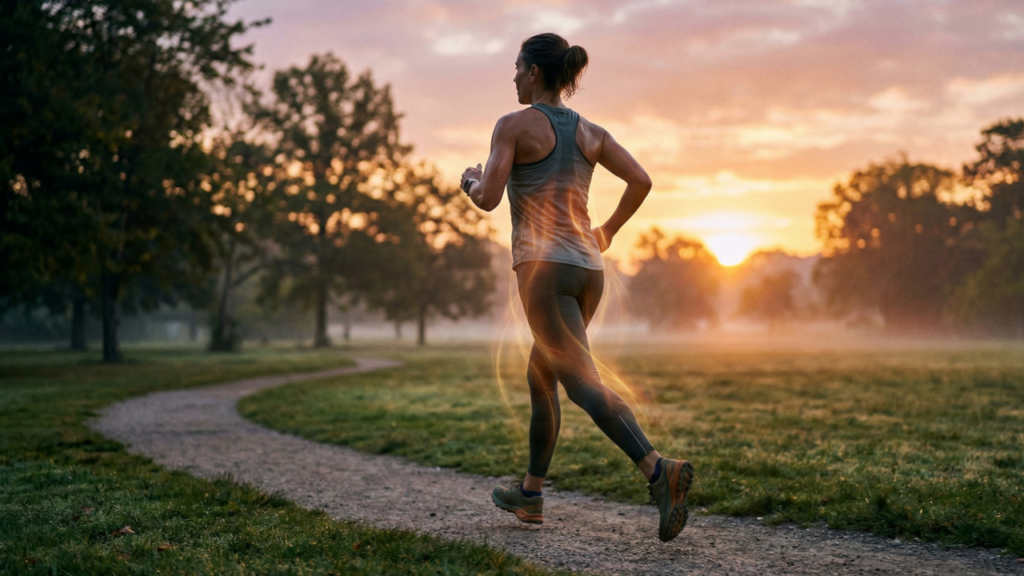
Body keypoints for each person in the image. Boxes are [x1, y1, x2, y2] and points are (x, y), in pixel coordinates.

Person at [460, 32, 693, 543]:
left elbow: (489, 198)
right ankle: (530, 493)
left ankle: (659, 470)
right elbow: (641, 181)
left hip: (544, 272)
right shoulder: (592, 132)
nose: (513, 77)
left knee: (581, 381)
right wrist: (606, 232)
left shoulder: (513, 125)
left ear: (535, 72)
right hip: (588, 271)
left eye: (517, 67)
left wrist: (470, 180)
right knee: (541, 375)